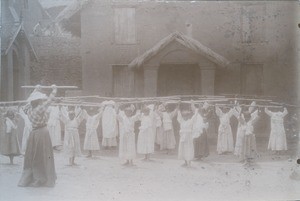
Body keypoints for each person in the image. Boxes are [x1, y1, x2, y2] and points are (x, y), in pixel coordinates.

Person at [18, 85, 57, 187]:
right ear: (38, 101)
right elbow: (49, 102)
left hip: (34, 134)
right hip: (42, 133)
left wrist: (36, 89)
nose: (41, 101)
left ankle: (35, 177)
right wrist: (54, 90)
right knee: (42, 156)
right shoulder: (39, 109)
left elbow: (27, 104)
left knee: (34, 156)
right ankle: (41, 178)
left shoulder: (29, 109)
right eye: (40, 100)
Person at [177, 101, 198, 167]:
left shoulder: (190, 121)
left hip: (188, 138)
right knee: (183, 149)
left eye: (186, 116)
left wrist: (196, 110)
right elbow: (179, 115)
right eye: (183, 116)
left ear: (188, 116)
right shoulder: (182, 121)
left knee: (188, 149)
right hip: (183, 137)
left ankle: (189, 163)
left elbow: (195, 116)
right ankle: (185, 162)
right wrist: (178, 107)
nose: (184, 117)